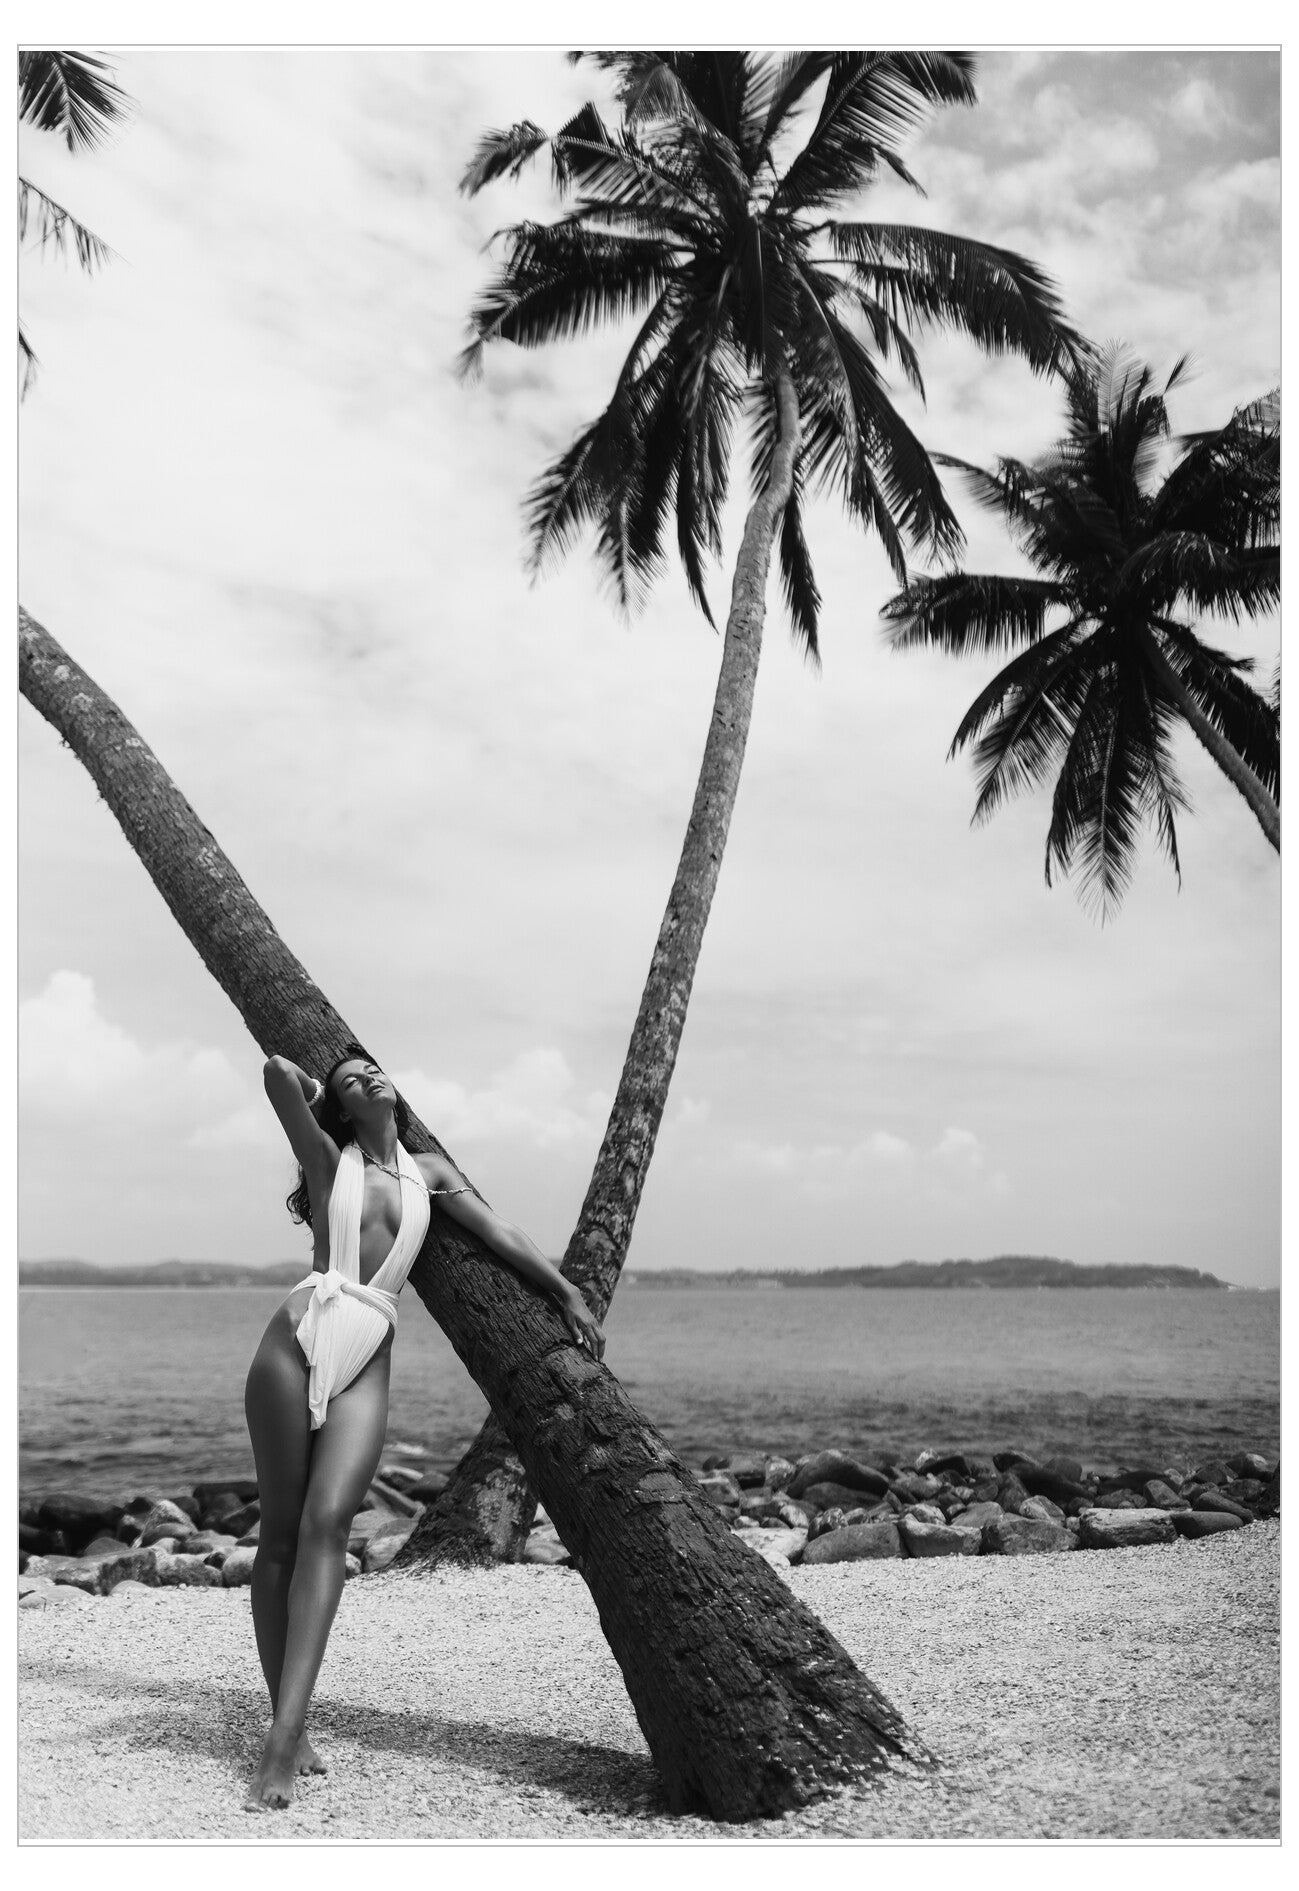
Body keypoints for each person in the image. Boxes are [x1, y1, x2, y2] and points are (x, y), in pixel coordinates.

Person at [243, 1044, 605, 1812]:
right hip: (295, 1337)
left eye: (372, 1068)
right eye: (350, 1079)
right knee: (278, 1536)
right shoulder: (323, 1154)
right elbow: (275, 1071)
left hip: (368, 1342)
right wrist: (312, 1088)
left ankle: (284, 1731)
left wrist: (565, 1287)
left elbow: (497, 1231)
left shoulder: (429, 1171)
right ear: (338, 1105)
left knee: (328, 1521)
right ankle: (288, 1730)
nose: (368, 1076)